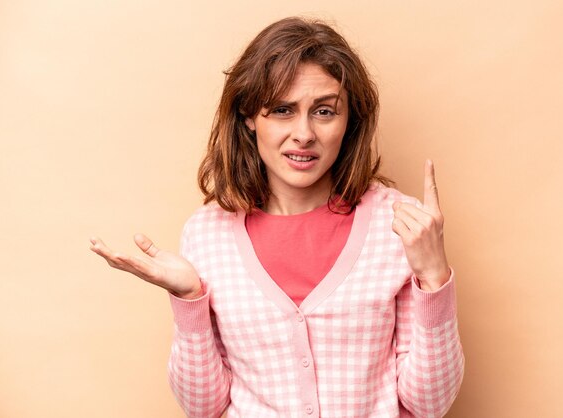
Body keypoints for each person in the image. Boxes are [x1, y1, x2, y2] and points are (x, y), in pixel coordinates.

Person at [90, 16, 464, 418]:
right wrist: (188, 299)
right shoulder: (207, 234)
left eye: (323, 111)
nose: (303, 133)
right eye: (283, 110)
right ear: (250, 116)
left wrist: (434, 278)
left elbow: (427, 404)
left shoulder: (400, 226)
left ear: (349, 120)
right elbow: (203, 407)